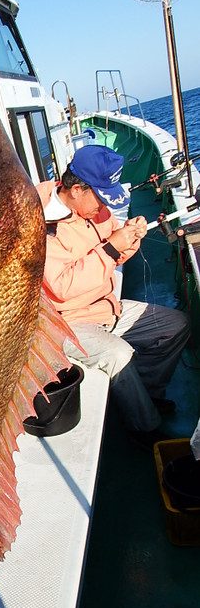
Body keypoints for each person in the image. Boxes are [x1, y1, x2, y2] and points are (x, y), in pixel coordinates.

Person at [36, 144, 190, 449]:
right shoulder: (40, 224)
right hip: (67, 323)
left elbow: (114, 255)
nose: (103, 207)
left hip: (106, 307)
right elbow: (63, 287)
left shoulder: (96, 210)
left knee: (176, 324)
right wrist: (111, 248)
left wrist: (130, 237)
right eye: (100, 196)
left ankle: (146, 396)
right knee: (118, 354)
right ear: (77, 189)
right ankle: (143, 428)